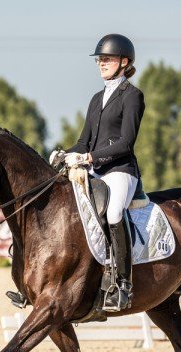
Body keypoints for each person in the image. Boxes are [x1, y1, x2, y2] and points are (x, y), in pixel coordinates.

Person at [57, 33, 145, 311]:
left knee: (114, 213)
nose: (101, 63)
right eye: (100, 59)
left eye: (107, 59)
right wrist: (64, 154)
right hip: (95, 171)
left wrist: (89, 157)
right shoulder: (97, 98)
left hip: (120, 171)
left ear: (124, 62)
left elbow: (126, 142)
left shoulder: (132, 96)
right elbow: (84, 140)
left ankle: (122, 283)